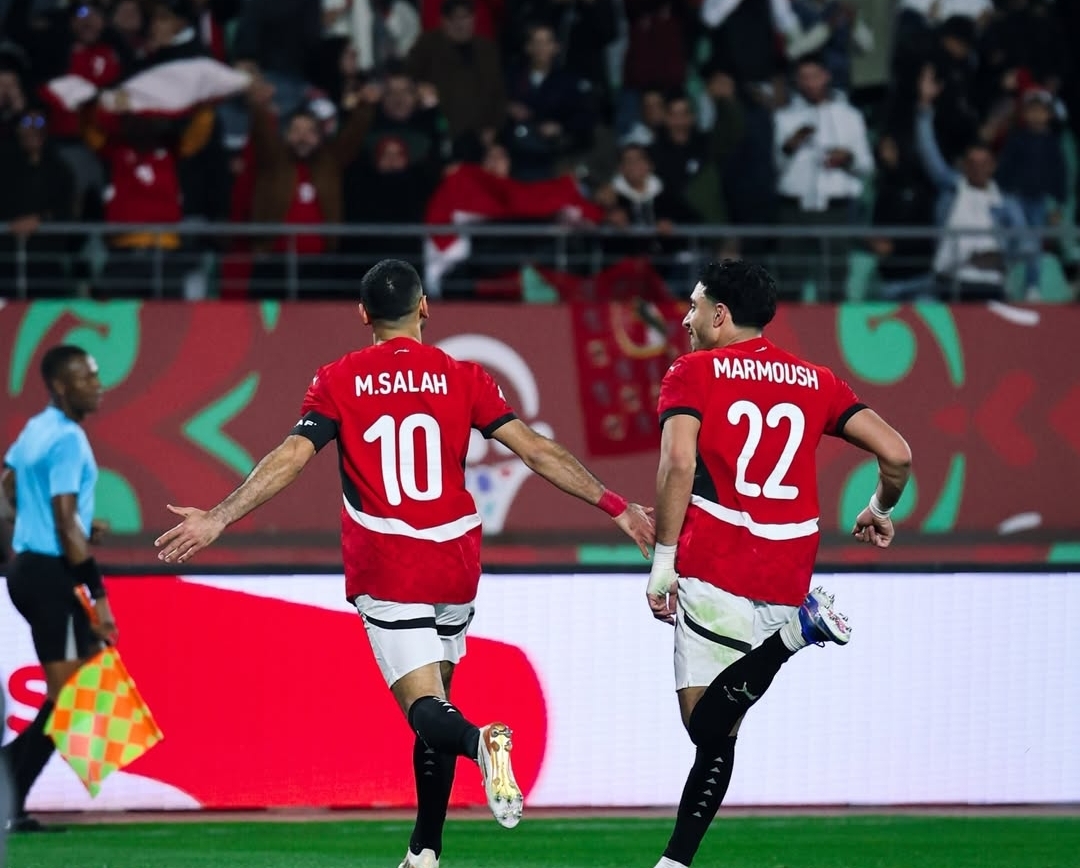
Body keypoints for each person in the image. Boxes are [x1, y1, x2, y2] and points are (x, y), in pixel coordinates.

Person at [154, 259, 655, 868]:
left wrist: (219, 516)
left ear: (363, 315)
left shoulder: (338, 379)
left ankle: (481, 742)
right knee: (437, 703)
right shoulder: (464, 376)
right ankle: (424, 851)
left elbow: (292, 456)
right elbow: (535, 450)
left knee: (427, 711)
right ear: (423, 307)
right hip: (456, 561)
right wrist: (616, 506)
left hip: (390, 559)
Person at [645, 260, 911, 868]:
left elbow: (677, 464)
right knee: (724, 730)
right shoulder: (816, 380)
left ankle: (796, 636)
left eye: (694, 307)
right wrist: (878, 508)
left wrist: (662, 562)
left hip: (718, 561)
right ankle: (675, 862)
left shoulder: (692, 371)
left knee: (705, 727)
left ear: (719, 315)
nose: (686, 320)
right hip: (788, 569)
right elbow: (897, 454)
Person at [1, 345, 117, 833]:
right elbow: (66, 521)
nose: (98, 386)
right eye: (87, 378)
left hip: (28, 569)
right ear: (62, 386)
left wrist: (47, 530)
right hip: (52, 574)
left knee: (70, 693)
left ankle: (11, 793)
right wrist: (100, 599)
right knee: (72, 697)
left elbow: (7, 486)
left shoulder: (36, 428)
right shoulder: (68, 438)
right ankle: (9, 796)